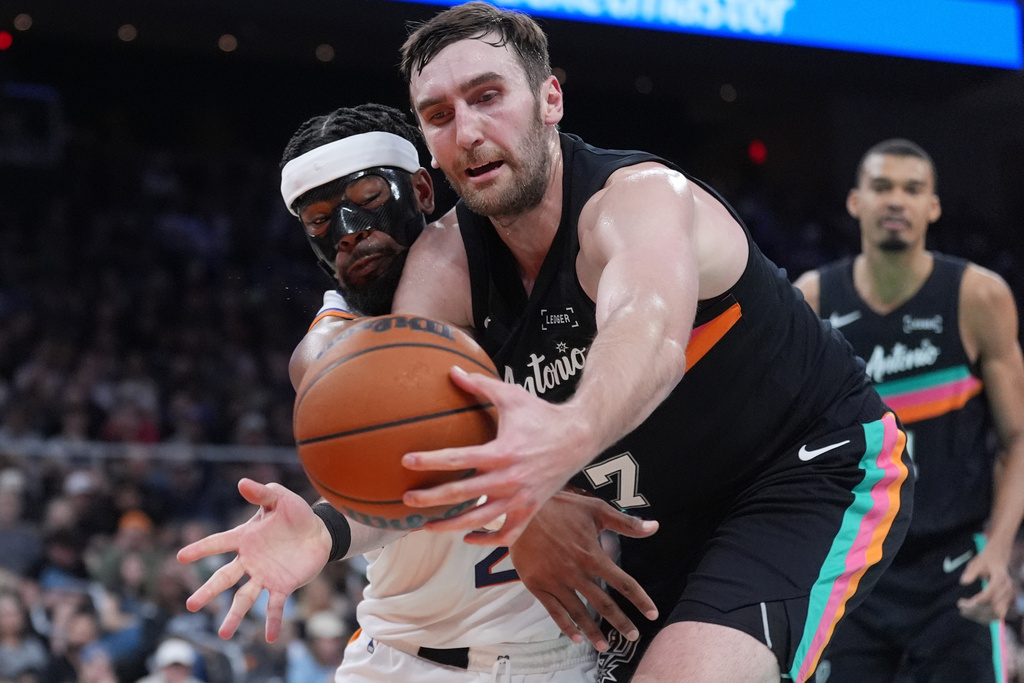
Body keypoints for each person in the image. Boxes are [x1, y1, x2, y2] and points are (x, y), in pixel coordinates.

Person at [364, 3, 917, 682]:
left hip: (805, 469)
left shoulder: (636, 201)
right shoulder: (442, 268)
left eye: (487, 97)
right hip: (652, 520)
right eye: (440, 114)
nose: (469, 131)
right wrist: (518, 510)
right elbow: (417, 426)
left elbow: (647, 329)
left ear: (549, 99)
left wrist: (567, 436)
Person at [178, 103, 653, 681]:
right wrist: (534, 499)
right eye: (321, 222)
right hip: (408, 659)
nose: (350, 234)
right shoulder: (334, 346)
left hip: (571, 659)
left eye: (370, 199)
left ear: (424, 190)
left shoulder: (535, 284)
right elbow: (410, 475)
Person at [793, 138, 1024, 682]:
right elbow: (791, 449)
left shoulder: (978, 297)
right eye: (882, 187)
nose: (896, 200)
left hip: (954, 570)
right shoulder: (814, 302)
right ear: (855, 202)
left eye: (912, 189)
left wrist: (1000, 548)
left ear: (933, 207)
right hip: (854, 566)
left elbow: (1017, 440)